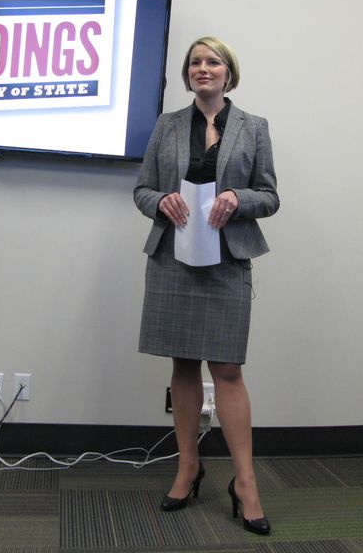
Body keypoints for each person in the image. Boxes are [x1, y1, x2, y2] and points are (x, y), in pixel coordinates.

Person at [133, 36, 279, 535]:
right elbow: (141, 189)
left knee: (228, 369)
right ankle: (188, 466)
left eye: (212, 61)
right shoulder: (168, 125)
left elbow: (271, 196)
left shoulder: (253, 128)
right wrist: (160, 202)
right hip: (174, 257)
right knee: (183, 362)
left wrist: (239, 197)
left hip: (227, 258)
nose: (203, 68)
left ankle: (245, 482)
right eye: (195, 62)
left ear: (228, 72)